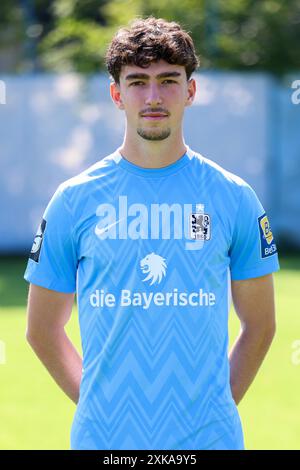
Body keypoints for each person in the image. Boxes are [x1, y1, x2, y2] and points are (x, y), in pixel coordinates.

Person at [24, 16, 279, 450]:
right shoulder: (74, 200)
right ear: (116, 94)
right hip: (104, 443)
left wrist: (216, 407)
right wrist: (95, 405)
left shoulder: (233, 197)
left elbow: (260, 325)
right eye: (138, 81)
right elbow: (42, 329)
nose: (154, 96)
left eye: (168, 80)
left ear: (191, 90)